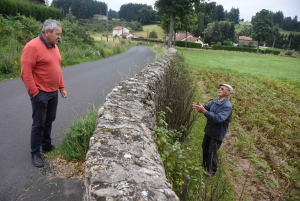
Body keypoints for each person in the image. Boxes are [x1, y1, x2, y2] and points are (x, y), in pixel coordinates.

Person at [21, 19, 67, 168]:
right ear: (47, 32)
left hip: (53, 92)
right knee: (39, 123)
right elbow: (25, 74)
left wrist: (61, 87)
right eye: (57, 34)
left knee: (50, 119)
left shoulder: (54, 46)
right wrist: (35, 93)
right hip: (40, 93)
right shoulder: (32, 47)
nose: (59, 37)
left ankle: (46, 145)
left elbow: (57, 68)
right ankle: (35, 153)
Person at [192, 84, 233, 176]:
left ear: (227, 92)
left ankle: (212, 171)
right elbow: (207, 107)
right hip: (209, 129)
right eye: (219, 88)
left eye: (222, 89)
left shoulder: (227, 106)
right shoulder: (216, 100)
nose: (219, 89)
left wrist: (204, 111)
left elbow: (218, 119)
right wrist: (200, 106)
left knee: (212, 152)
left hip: (217, 133)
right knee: (205, 146)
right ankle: (205, 164)